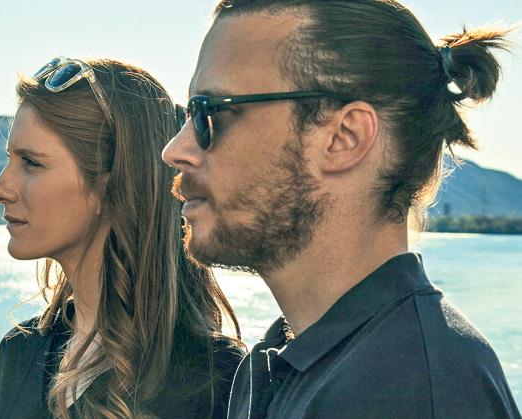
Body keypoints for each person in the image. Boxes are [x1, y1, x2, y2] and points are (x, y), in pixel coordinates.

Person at [162, 1, 520, 418]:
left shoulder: (411, 391)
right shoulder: (285, 362)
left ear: (345, 137)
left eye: (211, 112)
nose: (175, 150)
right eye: (189, 114)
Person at [0, 56, 245, 419]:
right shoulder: (20, 352)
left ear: (114, 181)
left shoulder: (215, 380)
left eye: (31, 162)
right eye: (10, 159)